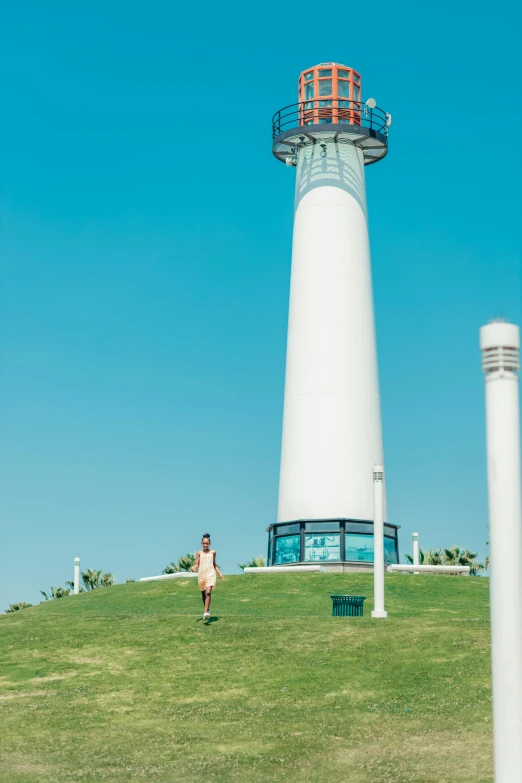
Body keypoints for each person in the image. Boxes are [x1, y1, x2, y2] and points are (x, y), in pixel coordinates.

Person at [191, 533, 224, 619]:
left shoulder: (213, 552)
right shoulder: (199, 553)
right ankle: (207, 609)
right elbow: (197, 564)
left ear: (209, 543)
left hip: (210, 574)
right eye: (204, 543)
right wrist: (194, 567)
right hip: (202, 575)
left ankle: (205, 612)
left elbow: (214, 564)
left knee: (208, 592)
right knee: (203, 594)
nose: (205, 545)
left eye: (207, 543)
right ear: (201, 543)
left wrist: (219, 573)